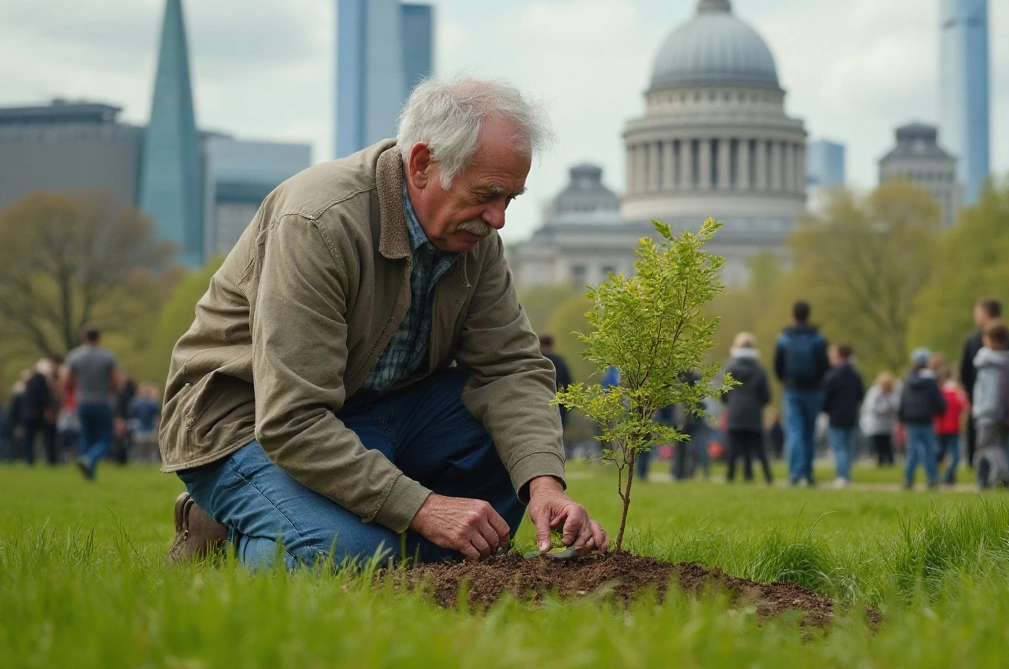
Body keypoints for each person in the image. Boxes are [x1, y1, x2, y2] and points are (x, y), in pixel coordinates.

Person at [159, 76, 607, 567]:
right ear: (421, 165)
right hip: (244, 422)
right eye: (488, 193)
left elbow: (511, 370)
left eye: (510, 200)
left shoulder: (473, 236)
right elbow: (291, 419)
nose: (499, 220)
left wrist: (543, 485)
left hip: (369, 411)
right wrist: (424, 507)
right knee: (346, 554)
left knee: (498, 445)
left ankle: (406, 558)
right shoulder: (319, 223)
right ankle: (221, 525)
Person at [959, 298, 1009, 470]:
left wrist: (973, 398)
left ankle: (990, 477)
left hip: (985, 407)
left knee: (986, 444)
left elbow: (965, 374)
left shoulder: (974, 342)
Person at [773, 300, 830, 486]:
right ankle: (807, 473)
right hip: (813, 390)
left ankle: (795, 474)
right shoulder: (818, 338)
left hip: (792, 390)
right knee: (809, 432)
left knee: (794, 431)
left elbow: (777, 366)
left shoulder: (784, 338)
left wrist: (786, 381)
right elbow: (824, 365)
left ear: (792, 314)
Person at [970, 321, 1009, 489]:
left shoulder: (985, 361)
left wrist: (979, 410)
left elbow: (986, 390)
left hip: (989, 412)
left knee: (988, 445)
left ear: (988, 339)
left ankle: (1000, 475)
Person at [61, 324, 120, 480]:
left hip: (82, 402)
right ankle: (90, 459)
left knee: (86, 436)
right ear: (99, 338)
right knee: (107, 438)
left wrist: (69, 396)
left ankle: (88, 471)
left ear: (83, 337)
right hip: (102, 401)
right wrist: (111, 392)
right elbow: (115, 381)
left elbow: (66, 381)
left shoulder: (74, 356)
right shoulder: (108, 356)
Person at [721, 333, 773, 484]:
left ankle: (730, 477)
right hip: (754, 413)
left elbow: (724, 393)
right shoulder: (760, 370)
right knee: (758, 449)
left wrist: (731, 403)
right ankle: (766, 477)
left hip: (735, 413)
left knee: (733, 449)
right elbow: (766, 395)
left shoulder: (729, 368)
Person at [899, 348, 946, 490]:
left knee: (912, 451)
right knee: (929, 450)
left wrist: (901, 417)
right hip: (926, 419)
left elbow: (903, 399)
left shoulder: (908, 379)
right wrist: (941, 410)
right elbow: (938, 400)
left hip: (911, 420)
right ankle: (932, 480)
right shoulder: (930, 380)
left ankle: (908, 479)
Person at [821, 342, 865, 487]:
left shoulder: (833, 375)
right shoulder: (855, 374)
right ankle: (846, 474)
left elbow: (826, 395)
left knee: (838, 447)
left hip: (836, 415)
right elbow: (860, 394)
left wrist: (825, 409)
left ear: (839, 356)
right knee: (848, 447)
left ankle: (842, 475)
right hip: (851, 415)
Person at [21, 357, 60, 466]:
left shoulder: (30, 380)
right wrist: (48, 410)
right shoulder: (41, 380)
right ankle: (51, 460)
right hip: (37, 414)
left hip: (28, 413)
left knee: (29, 439)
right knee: (48, 437)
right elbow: (43, 397)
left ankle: (29, 461)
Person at [933, 364, 968, 486]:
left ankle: (944, 477)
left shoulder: (944, 393)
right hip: (949, 428)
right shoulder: (953, 393)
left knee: (942, 456)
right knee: (953, 456)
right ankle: (947, 477)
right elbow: (963, 408)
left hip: (946, 428)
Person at [862, 372, 897, 466]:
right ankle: (880, 462)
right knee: (879, 446)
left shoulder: (890, 393)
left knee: (888, 445)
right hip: (876, 424)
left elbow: (895, 404)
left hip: (887, 424)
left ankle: (890, 462)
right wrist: (884, 409)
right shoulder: (874, 392)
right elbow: (870, 406)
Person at [538, 334, 573, 431]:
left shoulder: (536, 361)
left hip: (537, 408)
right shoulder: (560, 362)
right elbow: (568, 385)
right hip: (558, 410)